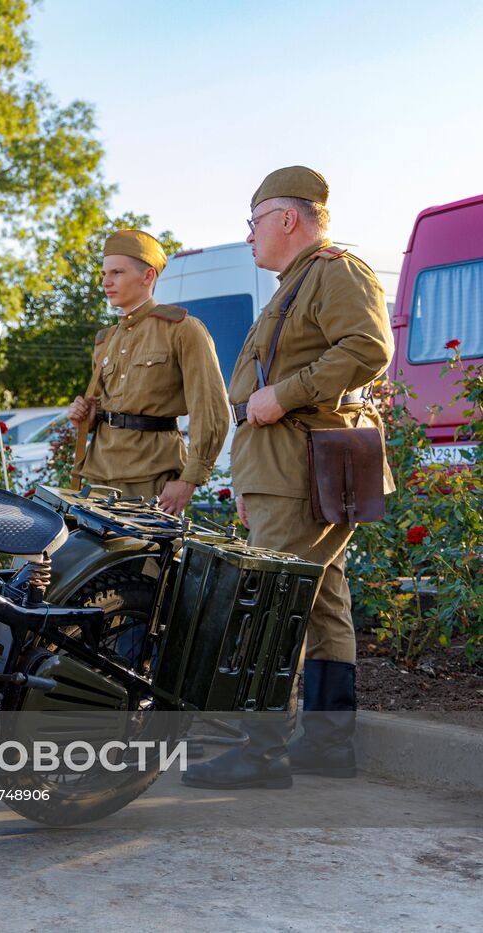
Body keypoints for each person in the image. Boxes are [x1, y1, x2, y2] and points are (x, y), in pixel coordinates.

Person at [183, 166, 393, 790]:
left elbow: (367, 348)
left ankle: (260, 751)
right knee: (322, 602)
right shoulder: (292, 286)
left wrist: (287, 393)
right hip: (285, 466)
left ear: (285, 219)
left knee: (269, 602)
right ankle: (327, 745)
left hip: (302, 463)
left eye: (252, 223)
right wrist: (252, 479)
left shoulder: (334, 271)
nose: (248, 237)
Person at [68, 230, 230, 513]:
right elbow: (111, 405)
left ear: (148, 276)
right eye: (104, 273)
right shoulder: (105, 340)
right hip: (98, 474)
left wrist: (190, 479)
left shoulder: (182, 329)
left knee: (148, 559)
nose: (106, 281)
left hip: (151, 477)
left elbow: (211, 409)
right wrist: (89, 418)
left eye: (117, 272)